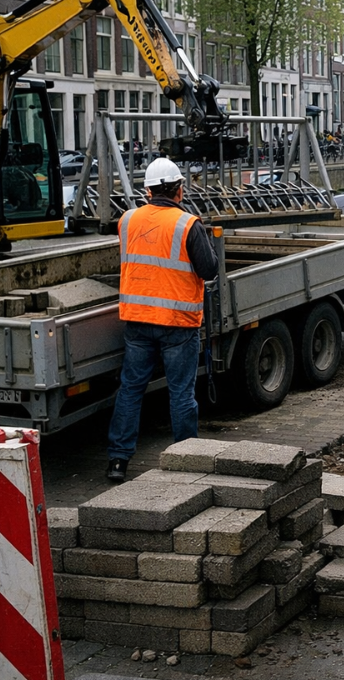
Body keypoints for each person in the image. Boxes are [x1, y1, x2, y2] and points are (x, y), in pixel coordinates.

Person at [105, 158, 219, 482]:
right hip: (178, 324)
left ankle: (118, 461)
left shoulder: (127, 220)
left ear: (148, 191)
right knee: (181, 394)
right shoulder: (188, 224)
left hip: (138, 321)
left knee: (130, 390)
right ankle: (187, 461)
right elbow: (209, 269)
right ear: (179, 190)